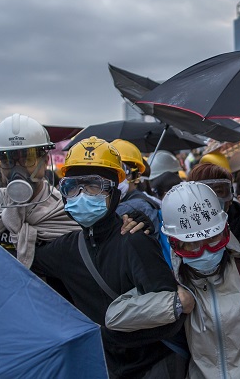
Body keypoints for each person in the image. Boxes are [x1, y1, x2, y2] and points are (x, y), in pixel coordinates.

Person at [31, 137, 192, 378]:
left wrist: (108, 333)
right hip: (106, 367)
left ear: (114, 192)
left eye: (94, 185)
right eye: (73, 186)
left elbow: (169, 316)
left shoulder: (135, 238)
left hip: (154, 365)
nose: (83, 195)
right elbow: (17, 260)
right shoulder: (66, 249)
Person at [108, 181, 240, 378]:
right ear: (174, 244)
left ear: (225, 231)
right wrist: (174, 303)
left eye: (212, 239)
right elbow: (115, 316)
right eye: (191, 245)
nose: (205, 251)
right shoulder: (173, 279)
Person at [0, 114, 80, 268]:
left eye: (28, 158)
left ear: (45, 161)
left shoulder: (63, 207)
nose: (17, 169)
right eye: (7, 160)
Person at [188, 162, 240, 250]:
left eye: (218, 192)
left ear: (230, 197)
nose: (211, 200)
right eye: (203, 193)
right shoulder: (182, 232)